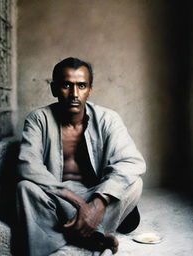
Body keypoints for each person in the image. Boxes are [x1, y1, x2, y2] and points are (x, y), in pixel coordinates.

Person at [16, 57, 146, 256]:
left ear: (90, 89)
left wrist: (97, 203)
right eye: (66, 85)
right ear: (54, 89)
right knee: (25, 187)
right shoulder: (38, 119)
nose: (74, 94)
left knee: (134, 182)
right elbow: (27, 165)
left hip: (97, 191)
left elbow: (132, 161)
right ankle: (91, 235)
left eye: (82, 86)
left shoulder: (108, 119)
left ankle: (82, 230)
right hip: (59, 196)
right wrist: (79, 204)